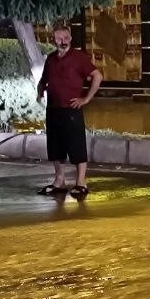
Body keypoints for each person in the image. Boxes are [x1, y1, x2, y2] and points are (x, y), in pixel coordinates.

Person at [36, 26, 102, 198]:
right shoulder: (51, 59)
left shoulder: (78, 58)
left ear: (70, 38)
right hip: (53, 109)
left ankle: (81, 182)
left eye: (65, 38)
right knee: (55, 147)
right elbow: (43, 80)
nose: (63, 41)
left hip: (72, 109)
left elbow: (97, 76)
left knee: (76, 145)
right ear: (54, 40)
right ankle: (59, 181)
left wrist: (85, 99)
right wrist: (40, 92)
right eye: (59, 38)